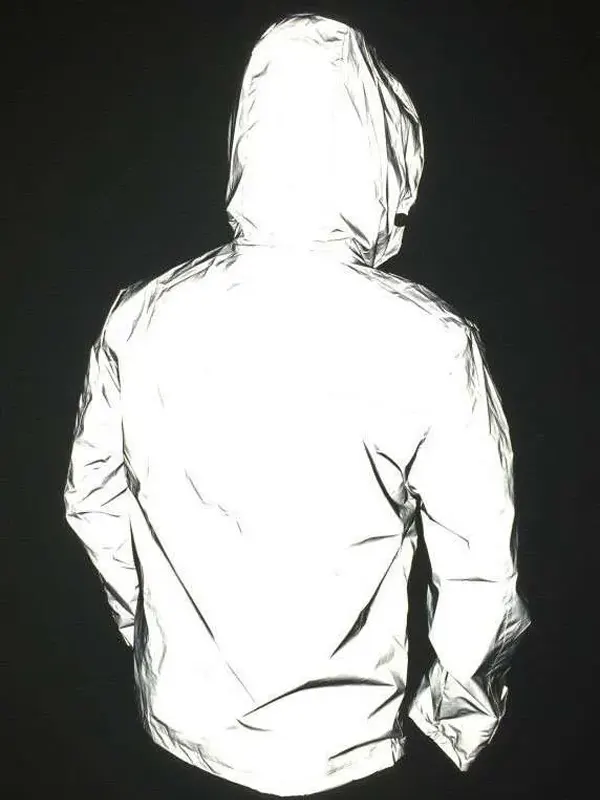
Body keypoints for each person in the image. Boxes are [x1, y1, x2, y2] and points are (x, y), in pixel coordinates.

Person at [64, 13, 531, 798]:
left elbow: (93, 503)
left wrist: (150, 634)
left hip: (173, 739)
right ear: (380, 151)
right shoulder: (430, 341)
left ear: (248, 140)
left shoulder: (141, 316)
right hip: (348, 756)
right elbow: (480, 573)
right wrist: (455, 722)